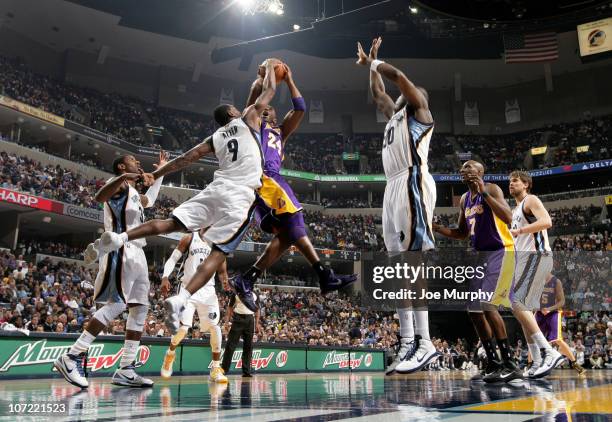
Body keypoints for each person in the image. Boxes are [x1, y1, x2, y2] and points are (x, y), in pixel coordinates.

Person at [84, 59, 278, 333]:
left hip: (216, 189)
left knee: (172, 223)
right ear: (235, 112)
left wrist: (157, 173)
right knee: (220, 251)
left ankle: (120, 237)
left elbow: (186, 159)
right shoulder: (249, 120)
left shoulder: (217, 136)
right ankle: (182, 296)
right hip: (240, 196)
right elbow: (269, 90)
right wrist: (272, 67)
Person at [230, 61, 356, 311]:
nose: (265, 112)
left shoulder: (280, 133)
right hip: (263, 179)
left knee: (288, 236)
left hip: (274, 182)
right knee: (296, 222)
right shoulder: (252, 123)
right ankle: (324, 275)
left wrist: (289, 79)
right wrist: (266, 74)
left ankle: (249, 278)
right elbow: (256, 94)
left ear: (277, 116)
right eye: (263, 110)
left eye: (270, 111)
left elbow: (300, 107)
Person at [356, 37, 437, 374]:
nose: (402, 92)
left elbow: (399, 76)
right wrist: (371, 65)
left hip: (412, 182)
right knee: (397, 268)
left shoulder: (419, 112)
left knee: (412, 264)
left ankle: (426, 342)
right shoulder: (394, 116)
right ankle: (407, 340)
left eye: (408, 91)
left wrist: (376, 64)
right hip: (392, 187)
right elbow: (378, 95)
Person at [55, 151, 168, 388]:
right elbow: (99, 197)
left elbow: (151, 200)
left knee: (140, 309)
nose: (137, 163)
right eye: (132, 161)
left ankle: (126, 369)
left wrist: (161, 173)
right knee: (116, 305)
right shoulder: (116, 186)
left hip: (138, 252)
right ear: (120, 167)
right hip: (120, 248)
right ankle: (71, 356)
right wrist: (126, 177)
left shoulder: (135, 193)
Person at [434, 160, 521, 383]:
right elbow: (462, 233)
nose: (463, 170)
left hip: (502, 251)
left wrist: (485, 194)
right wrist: (437, 228)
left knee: (487, 304)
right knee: (474, 310)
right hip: (480, 256)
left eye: (468, 167)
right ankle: (493, 363)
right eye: (461, 168)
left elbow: (509, 218)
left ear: (480, 172)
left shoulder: (491, 188)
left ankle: (510, 363)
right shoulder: (464, 199)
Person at [508, 170, 564, 378]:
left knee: (517, 303)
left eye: (515, 181)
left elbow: (547, 222)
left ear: (526, 184)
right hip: (523, 260)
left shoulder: (530, 200)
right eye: (510, 181)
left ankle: (548, 352)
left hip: (537, 256)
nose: (511, 184)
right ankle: (536, 360)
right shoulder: (515, 210)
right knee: (524, 313)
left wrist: (520, 231)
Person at [159, 228, 229, 383]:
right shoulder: (190, 237)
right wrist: (165, 277)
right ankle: (170, 354)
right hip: (188, 289)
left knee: (215, 328)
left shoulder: (219, 244)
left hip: (208, 292)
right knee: (183, 329)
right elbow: (172, 259)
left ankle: (215, 369)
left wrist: (225, 282)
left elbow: (222, 272)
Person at [535, 273, 585, 375]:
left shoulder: (556, 281)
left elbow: (562, 301)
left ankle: (575, 363)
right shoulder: (536, 280)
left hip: (553, 312)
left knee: (557, 339)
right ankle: (530, 365)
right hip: (540, 312)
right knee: (533, 339)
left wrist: (549, 309)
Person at [221, 290, 260, 378]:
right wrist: (226, 322)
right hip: (238, 318)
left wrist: (257, 323)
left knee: (248, 346)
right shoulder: (235, 293)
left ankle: (246, 371)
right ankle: (224, 369)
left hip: (250, 320)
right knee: (230, 345)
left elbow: (257, 309)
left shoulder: (255, 294)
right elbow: (230, 308)